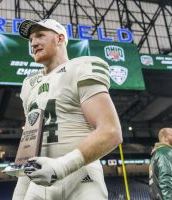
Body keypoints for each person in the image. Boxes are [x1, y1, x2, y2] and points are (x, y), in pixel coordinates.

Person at [13, 18, 123, 200]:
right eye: (31, 39)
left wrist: (61, 166)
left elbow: (111, 131)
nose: (33, 43)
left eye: (40, 35)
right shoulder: (29, 84)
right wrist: (20, 191)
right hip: (38, 181)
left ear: (60, 38)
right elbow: (30, 145)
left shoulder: (81, 67)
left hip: (81, 178)